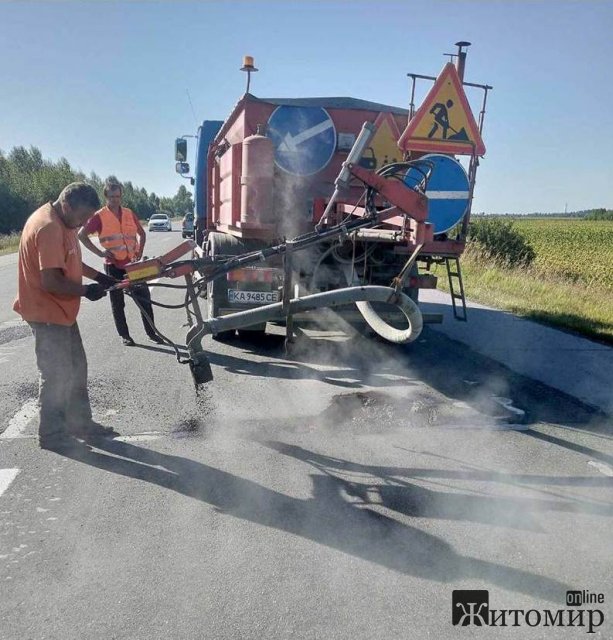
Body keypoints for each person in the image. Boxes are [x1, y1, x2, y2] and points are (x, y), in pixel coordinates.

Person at [13, 182, 118, 447]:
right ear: (67, 205)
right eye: (82, 217)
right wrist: (86, 290)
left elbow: (71, 260)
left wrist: (100, 277)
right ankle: (52, 434)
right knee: (56, 373)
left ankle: (80, 424)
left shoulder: (66, 224)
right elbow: (51, 281)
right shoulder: (49, 227)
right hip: (46, 312)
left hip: (61, 312)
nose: (83, 224)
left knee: (77, 367)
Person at [78, 179, 163, 346]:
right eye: (111, 196)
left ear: (121, 196)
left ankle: (152, 333)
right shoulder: (99, 216)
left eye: (117, 196)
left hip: (133, 265)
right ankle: (125, 335)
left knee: (144, 299)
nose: (115, 199)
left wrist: (139, 253)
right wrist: (100, 252)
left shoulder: (129, 213)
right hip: (113, 266)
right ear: (106, 197)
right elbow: (82, 235)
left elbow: (142, 234)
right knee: (118, 303)